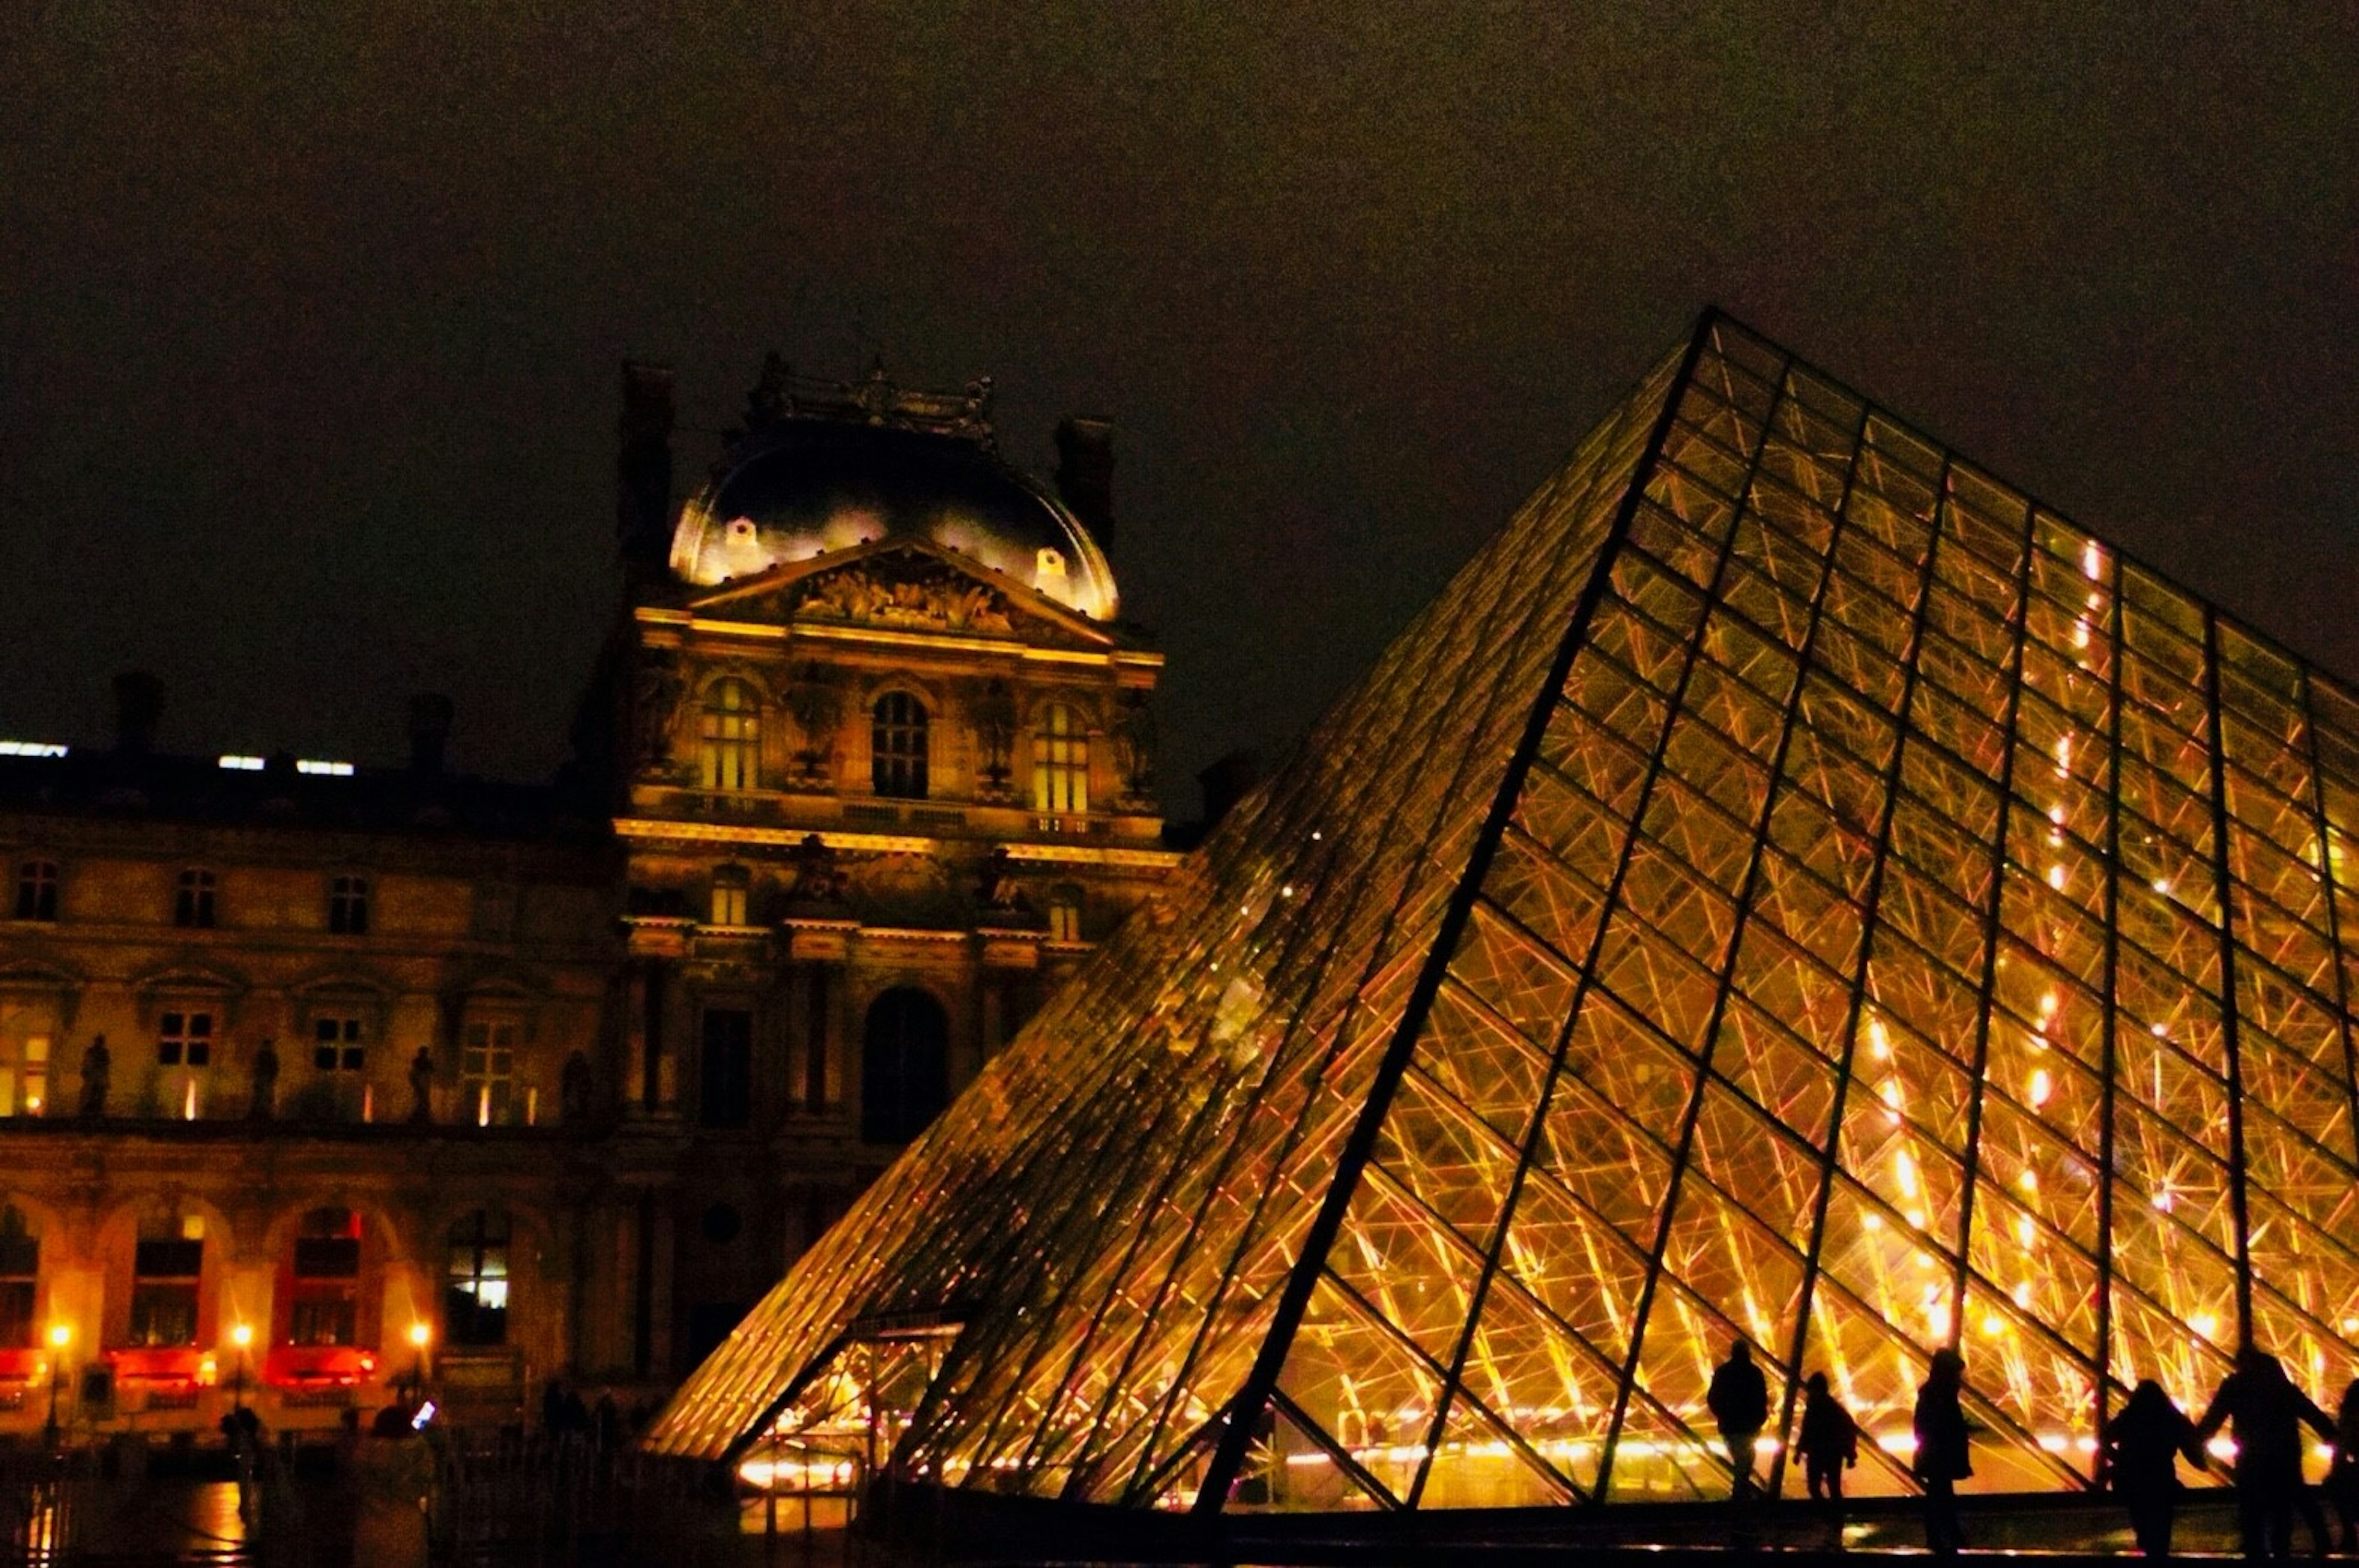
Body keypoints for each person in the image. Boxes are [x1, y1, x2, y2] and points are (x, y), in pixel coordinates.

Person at [2194, 1345, 2336, 1559]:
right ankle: (2299, 1546)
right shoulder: (2280, 1386)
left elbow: (2214, 1419)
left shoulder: (2235, 1386)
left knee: (2252, 1510)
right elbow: (2312, 1414)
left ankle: (2256, 1550)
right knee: (2286, 1506)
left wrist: (2196, 1440)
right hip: (2284, 1454)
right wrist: (2333, 1437)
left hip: (2251, 1457)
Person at [2105, 1379, 2207, 1558]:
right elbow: (2190, 1442)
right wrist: (2203, 1462)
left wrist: (2120, 1460)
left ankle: (2146, 1541)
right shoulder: (2170, 1417)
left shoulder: (2130, 1416)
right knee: (2161, 1528)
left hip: (2132, 1479)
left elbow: (2105, 1437)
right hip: (2161, 1479)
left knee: (2142, 1519)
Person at [1914, 1348, 1972, 1556]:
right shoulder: (1940, 1394)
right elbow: (1939, 1424)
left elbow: (1925, 1425)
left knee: (1939, 1493)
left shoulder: (1933, 1392)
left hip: (1935, 1451)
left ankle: (1942, 1534)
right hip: (1940, 1452)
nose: (1960, 1378)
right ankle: (1945, 1534)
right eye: (1956, 1373)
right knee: (1941, 1493)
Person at [1705, 1340, 1771, 1505]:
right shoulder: (1755, 1373)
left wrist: (1723, 1415)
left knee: (1742, 1460)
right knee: (1746, 1460)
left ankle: (1739, 1496)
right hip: (1749, 1426)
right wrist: (1759, 1420)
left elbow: (1713, 1398)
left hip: (1731, 1426)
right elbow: (1762, 1400)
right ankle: (1740, 1496)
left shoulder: (1723, 1372)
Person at [1796, 1371, 1860, 1516]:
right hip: (1831, 1453)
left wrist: (1799, 1451)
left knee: (1816, 1487)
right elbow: (1847, 1431)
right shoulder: (1834, 1408)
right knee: (1832, 1488)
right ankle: (1834, 1516)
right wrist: (1850, 1455)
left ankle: (1829, 1514)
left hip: (1820, 1453)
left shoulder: (1815, 1409)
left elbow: (1806, 1431)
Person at [2323, 1377, 2358, 1554]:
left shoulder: (2349, 1419)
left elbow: (2341, 1448)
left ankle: (2349, 1535)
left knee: (2337, 1486)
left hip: (2352, 1472)